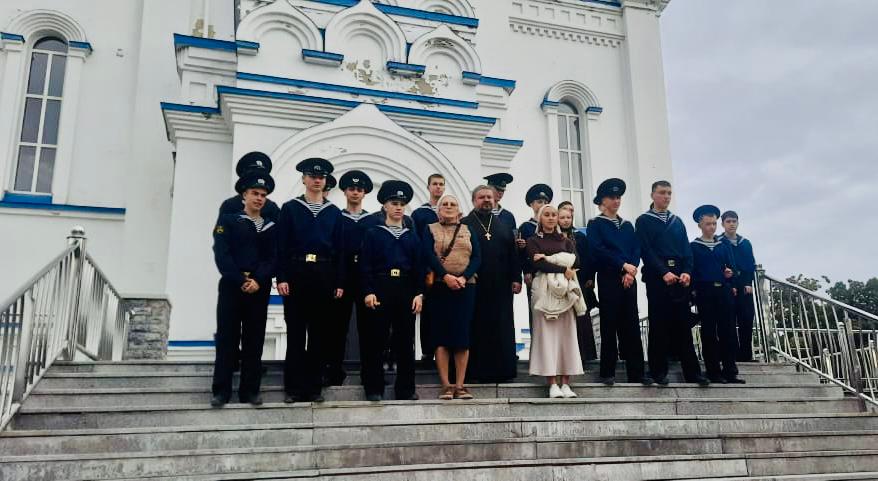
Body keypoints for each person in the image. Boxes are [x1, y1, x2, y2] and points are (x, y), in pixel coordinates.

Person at [276, 158, 345, 403]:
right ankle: (293, 388)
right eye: (312, 176)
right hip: (297, 272)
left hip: (324, 274)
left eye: (321, 177)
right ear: (304, 179)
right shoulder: (290, 208)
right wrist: (281, 277)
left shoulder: (334, 212)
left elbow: (340, 250)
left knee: (319, 334)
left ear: (325, 181)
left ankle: (314, 388)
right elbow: (281, 246)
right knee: (296, 333)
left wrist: (339, 282)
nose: (317, 180)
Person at [210, 172, 277, 407]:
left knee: (254, 340)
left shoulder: (270, 226)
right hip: (232, 286)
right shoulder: (229, 221)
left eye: (263, 195)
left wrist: (258, 279)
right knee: (227, 338)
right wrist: (240, 280)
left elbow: (272, 258)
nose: (259, 198)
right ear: (244, 195)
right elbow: (222, 254)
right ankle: (221, 391)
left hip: (259, 288)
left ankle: (250, 391)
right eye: (255, 193)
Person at [635, 181, 708, 386]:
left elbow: (686, 249)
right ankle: (658, 371)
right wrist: (663, 272)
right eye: (662, 192)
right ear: (653, 195)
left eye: (669, 193)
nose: (666, 196)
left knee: (683, 325)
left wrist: (687, 271)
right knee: (659, 324)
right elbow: (646, 251)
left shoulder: (677, 221)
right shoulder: (643, 220)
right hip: (657, 278)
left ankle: (693, 373)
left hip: (679, 278)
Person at [360, 180, 424, 401]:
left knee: (405, 341)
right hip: (380, 286)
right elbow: (365, 265)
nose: (398, 208)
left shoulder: (412, 236)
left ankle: (405, 389)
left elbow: (419, 268)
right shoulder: (373, 233)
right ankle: (373, 388)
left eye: (402, 204)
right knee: (376, 339)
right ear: (385, 206)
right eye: (394, 203)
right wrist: (368, 291)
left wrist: (419, 294)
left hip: (405, 289)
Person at [586, 178, 653, 386]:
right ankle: (607, 372)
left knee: (631, 324)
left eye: (618, 197)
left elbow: (636, 248)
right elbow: (598, 250)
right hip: (608, 278)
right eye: (612, 197)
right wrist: (622, 266)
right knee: (609, 324)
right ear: (602, 201)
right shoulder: (595, 224)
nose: (616, 201)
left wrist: (631, 270)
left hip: (629, 279)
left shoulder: (627, 225)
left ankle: (637, 373)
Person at [422, 194, 481, 400]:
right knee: (442, 336)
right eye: (444, 204)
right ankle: (446, 385)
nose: (448, 206)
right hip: (440, 287)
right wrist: (445, 276)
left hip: (466, 287)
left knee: (462, 336)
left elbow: (477, 257)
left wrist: (464, 277)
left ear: (459, 210)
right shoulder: (430, 229)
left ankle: (460, 385)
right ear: (438, 210)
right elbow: (428, 254)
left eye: (452, 204)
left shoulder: (468, 230)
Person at [462, 186, 522, 383]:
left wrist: (516, 278)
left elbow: (513, 254)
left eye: (489, 197)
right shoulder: (465, 224)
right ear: (474, 200)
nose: (486, 200)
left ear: (494, 200)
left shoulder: (503, 225)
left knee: (501, 326)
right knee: (476, 326)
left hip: (501, 286)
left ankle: (503, 371)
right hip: (474, 285)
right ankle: (476, 372)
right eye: (482, 197)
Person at [527, 204, 586, 398]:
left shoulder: (566, 240)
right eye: (547, 214)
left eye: (554, 215)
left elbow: (576, 261)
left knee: (567, 336)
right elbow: (538, 263)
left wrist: (548, 258)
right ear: (540, 218)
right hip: (543, 288)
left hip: (565, 290)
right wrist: (562, 266)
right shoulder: (533, 241)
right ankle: (552, 383)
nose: (551, 218)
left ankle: (566, 383)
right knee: (546, 336)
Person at [324, 170, 374, 386]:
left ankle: (369, 374)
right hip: (342, 278)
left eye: (359, 189)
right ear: (345, 191)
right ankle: (334, 372)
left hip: (365, 277)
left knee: (369, 328)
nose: (355, 192)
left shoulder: (372, 220)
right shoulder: (337, 217)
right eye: (351, 189)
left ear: (364, 193)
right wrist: (337, 280)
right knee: (337, 327)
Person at [691, 205, 745, 384]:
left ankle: (730, 371)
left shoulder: (724, 245)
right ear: (700, 225)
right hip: (705, 292)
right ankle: (713, 371)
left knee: (728, 330)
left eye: (714, 223)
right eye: (708, 224)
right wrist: (693, 291)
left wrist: (730, 275)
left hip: (723, 290)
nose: (712, 227)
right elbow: (692, 270)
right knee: (709, 332)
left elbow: (732, 267)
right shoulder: (694, 247)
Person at [557, 202, 598, 363]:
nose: (566, 220)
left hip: (579, 281)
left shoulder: (580, 237)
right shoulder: (553, 237)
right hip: (560, 281)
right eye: (563, 217)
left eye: (569, 216)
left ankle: (585, 355)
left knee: (581, 317)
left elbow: (589, 259)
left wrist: (590, 278)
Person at [411, 173, 445, 364]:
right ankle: (427, 351)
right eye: (435, 184)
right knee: (428, 310)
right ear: (429, 187)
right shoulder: (419, 214)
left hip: (447, 269)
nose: (438, 187)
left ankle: (444, 349)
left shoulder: (450, 211)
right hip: (428, 269)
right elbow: (417, 243)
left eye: (441, 184)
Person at [719, 210, 757, 362]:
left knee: (746, 319)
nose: (731, 224)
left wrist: (748, 282)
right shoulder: (719, 241)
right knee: (728, 321)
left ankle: (746, 355)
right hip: (727, 285)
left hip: (744, 286)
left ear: (738, 223)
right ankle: (732, 354)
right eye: (728, 221)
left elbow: (751, 265)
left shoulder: (745, 243)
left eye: (734, 221)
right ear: (723, 224)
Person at [518, 184, 553, 331]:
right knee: (536, 312)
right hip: (534, 275)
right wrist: (526, 271)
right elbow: (521, 253)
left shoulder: (553, 225)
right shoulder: (526, 227)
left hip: (553, 273)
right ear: (531, 204)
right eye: (539, 202)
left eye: (545, 202)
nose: (542, 205)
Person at [217, 152, 281, 222]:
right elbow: (222, 227)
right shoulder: (230, 205)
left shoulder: (271, 208)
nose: (258, 178)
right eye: (253, 175)